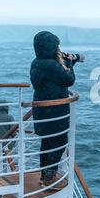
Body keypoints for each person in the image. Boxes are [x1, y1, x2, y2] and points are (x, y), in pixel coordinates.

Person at [30, 31, 81, 189]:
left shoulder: (37, 62)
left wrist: (63, 62)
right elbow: (69, 79)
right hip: (55, 112)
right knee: (59, 141)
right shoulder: (52, 65)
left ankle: (44, 175)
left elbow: (55, 78)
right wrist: (70, 63)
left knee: (46, 142)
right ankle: (49, 177)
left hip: (41, 111)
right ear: (52, 48)